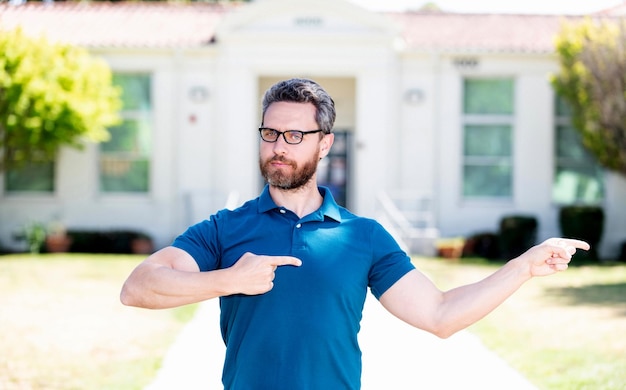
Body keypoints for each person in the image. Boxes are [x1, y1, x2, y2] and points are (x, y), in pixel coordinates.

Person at [120, 78, 590, 390]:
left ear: (324, 143)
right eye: (269, 133)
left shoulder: (362, 236)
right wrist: (227, 280)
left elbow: (441, 315)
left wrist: (523, 267)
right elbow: (137, 288)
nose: (278, 147)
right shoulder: (225, 227)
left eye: (294, 136)